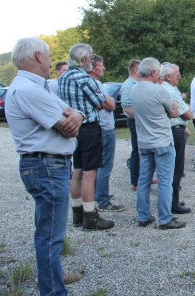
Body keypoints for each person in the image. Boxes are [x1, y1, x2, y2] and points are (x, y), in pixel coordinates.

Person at [5, 37, 83, 296]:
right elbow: (68, 125)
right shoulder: (29, 90)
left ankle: (54, 280)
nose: (51, 61)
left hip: (48, 165)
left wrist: (75, 115)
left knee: (51, 234)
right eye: (49, 56)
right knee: (50, 237)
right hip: (46, 166)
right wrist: (74, 117)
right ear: (38, 56)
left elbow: (75, 114)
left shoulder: (36, 87)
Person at [59, 43, 115, 230]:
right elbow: (105, 103)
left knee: (77, 170)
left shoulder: (64, 76)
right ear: (83, 60)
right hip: (89, 127)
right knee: (90, 173)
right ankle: (90, 216)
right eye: (90, 58)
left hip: (73, 129)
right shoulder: (84, 78)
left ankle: (77, 213)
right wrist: (99, 102)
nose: (92, 61)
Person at [131, 57, 186, 230]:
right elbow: (175, 112)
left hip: (144, 142)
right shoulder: (160, 90)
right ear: (154, 72)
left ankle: (143, 216)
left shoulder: (133, 89)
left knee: (144, 180)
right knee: (164, 181)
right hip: (162, 141)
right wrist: (172, 107)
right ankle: (165, 218)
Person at [89, 55, 124, 211]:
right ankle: (103, 199)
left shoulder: (93, 84)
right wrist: (108, 102)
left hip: (99, 127)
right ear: (93, 67)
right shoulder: (95, 84)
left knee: (98, 164)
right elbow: (110, 105)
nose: (103, 68)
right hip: (105, 128)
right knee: (105, 165)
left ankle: (98, 194)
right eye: (101, 65)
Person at [161, 63, 192, 214]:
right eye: (177, 74)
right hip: (175, 131)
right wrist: (185, 105)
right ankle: (173, 204)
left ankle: (172, 200)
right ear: (168, 76)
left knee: (171, 168)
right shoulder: (170, 91)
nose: (179, 76)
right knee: (176, 168)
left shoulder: (164, 88)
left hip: (171, 130)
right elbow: (188, 114)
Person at [120, 59, 142, 191]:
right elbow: (127, 108)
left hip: (140, 120)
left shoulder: (139, 83)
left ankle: (144, 177)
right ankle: (135, 181)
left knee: (144, 150)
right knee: (137, 150)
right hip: (135, 121)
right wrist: (143, 117)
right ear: (136, 70)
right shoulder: (128, 85)